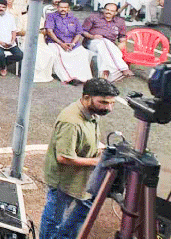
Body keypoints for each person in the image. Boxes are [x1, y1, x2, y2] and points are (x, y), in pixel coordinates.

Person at [40, 79, 119, 239]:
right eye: (103, 102)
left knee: (84, 209)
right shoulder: (71, 122)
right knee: (54, 219)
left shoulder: (91, 112)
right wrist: (96, 162)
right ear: (86, 97)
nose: (108, 108)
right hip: (64, 181)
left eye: (112, 103)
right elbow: (63, 157)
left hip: (80, 177)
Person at [44, 0, 92, 84]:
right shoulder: (51, 16)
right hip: (56, 42)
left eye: (65, 7)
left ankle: (84, 78)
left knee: (83, 53)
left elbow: (79, 32)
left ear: (68, 8)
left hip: (72, 43)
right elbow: (49, 31)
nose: (63, 9)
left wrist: (73, 43)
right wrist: (61, 44)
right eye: (61, 7)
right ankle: (68, 78)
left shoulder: (73, 18)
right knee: (59, 54)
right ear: (57, 7)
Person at [82, 3, 133, 82]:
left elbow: (122, 36)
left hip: (109, 46)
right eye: (107, 10)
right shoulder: (93, 17)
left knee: (104, 52)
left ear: (116, 12)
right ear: (103, 10)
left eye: (112, 11)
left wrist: (122, 43)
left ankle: (104, 78)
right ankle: (122, 68)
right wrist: (93, 36)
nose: (108, 12)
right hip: (92, 42)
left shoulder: (120, 22)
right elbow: (83, 31)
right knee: (104, 42)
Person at [0, 0, 23, 76]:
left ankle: (3, 63)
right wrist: (0, 42)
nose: (1, 8)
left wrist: (12, 41)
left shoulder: (10, 17)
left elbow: (14, 31)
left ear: (6, 8)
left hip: (9, 42)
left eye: (3, 7)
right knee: (0, 55)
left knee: (20, 55)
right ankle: (3, 67)